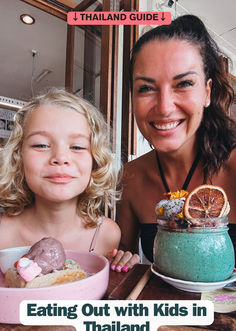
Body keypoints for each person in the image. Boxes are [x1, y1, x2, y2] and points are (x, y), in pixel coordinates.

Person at [116, 14, 236, 263]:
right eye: (146, 88)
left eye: (183, 83)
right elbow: (123, 268)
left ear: (207, 91)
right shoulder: (130, 177)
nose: (164, 107)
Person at [0, 88, 139, 271]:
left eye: (77, 147)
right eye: (41, 145)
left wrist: (125, 267)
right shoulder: (3, 232)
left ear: (95, 160)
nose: (60, 157)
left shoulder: (107, 234)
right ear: (19, 156)